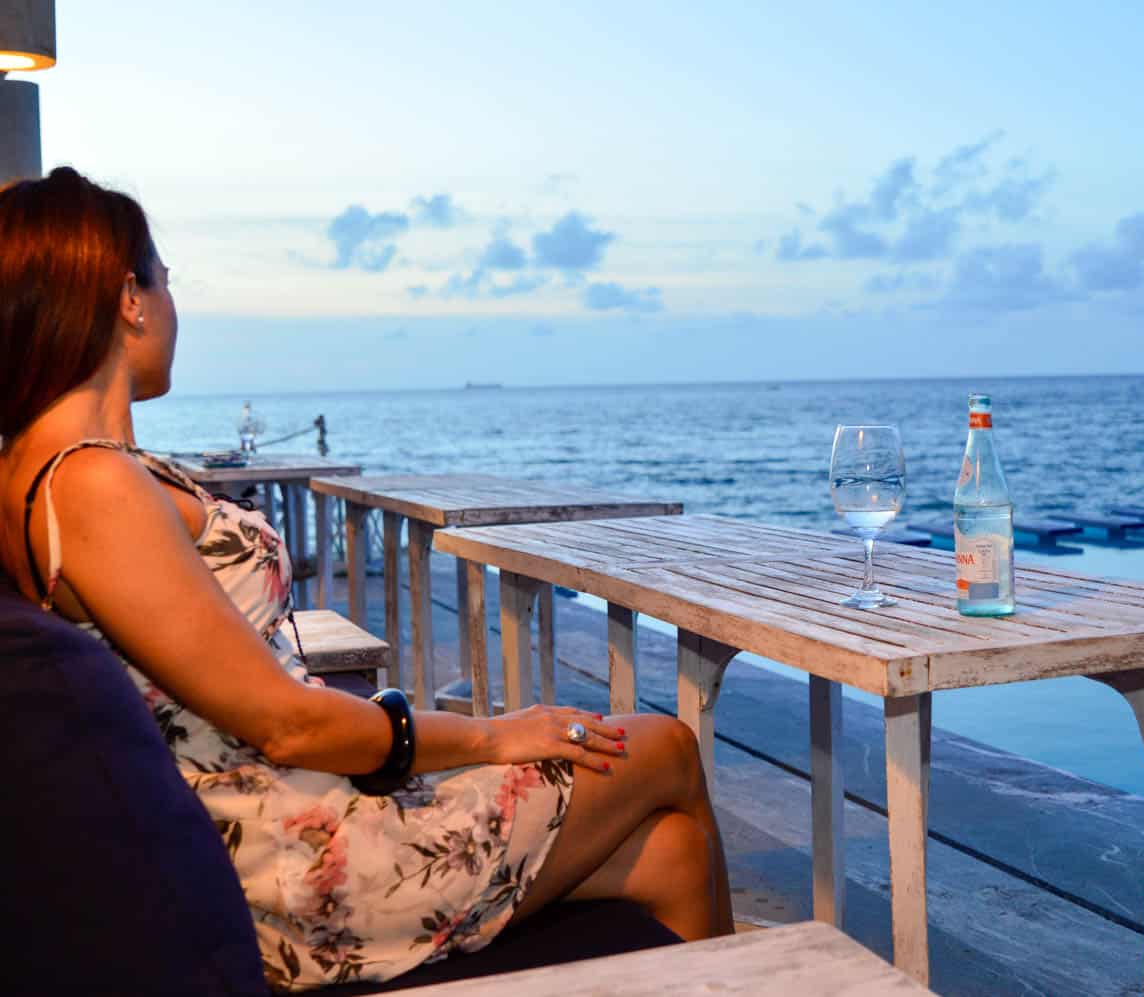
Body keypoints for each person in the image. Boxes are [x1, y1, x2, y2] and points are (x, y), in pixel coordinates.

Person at [0, 168, 733, 991]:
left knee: (672, 853)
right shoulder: (88, 483)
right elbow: (288, 725)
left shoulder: (63, 471)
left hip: (277, 821)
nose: (174, 306)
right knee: (664, 746)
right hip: (300, 863)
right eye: (165, 281)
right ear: (128, 296)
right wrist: (497, 732)